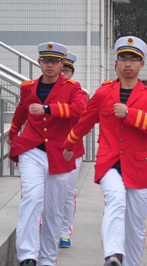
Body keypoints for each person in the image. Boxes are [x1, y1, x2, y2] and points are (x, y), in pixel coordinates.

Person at [62, 36, 147, 266]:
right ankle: (113, 254)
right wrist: (69, 144)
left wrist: (130, 114)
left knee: (136, 227)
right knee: (116, 200)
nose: (128, 64)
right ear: (116, 64)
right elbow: (84, 122)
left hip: (140, 166)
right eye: (123, 58)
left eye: (133, 59)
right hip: (109, 161)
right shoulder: (103, 93)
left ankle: (129, 262)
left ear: (141, 64)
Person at [7, 42, 86, 266]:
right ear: (39, 62)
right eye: (45, 61)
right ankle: (27, 256)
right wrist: (13, 133)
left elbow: (79, 110)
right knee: (31, 198)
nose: (49, 65)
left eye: (54, 61)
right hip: (31, 149)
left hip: (60, 153)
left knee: (53, 208)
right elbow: (21, 110)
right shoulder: (28, 86)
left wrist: (49, 109)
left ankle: (48, 259)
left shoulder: (73, 88)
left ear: (62, 64)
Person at [58, 51, 88, 249]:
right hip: (48, 149)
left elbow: (80, 117)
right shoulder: (43, 90)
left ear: (71, 73)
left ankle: (65, 231)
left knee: (68, 192)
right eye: (61, 70)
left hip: (72, 149)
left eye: (66, 70)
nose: (63, 74)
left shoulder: (79, 93)